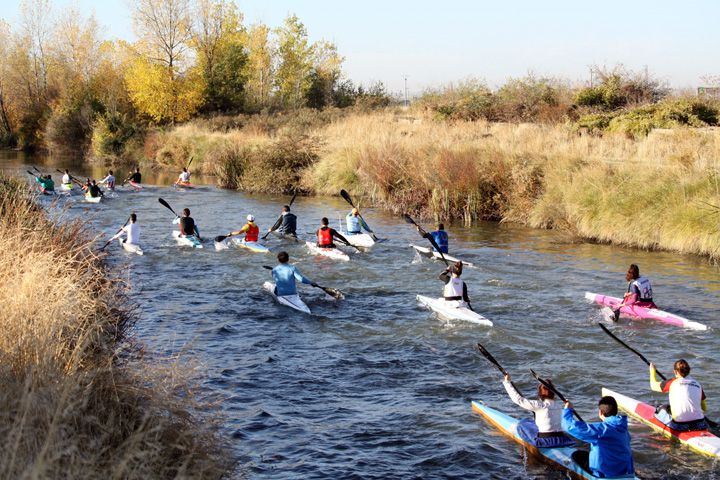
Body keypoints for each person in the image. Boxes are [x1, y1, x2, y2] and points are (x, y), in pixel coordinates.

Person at [562, 396, 634, 478]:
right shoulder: (623, 428)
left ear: (600, 412)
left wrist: (567, 409)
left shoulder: (601, 430)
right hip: (626, 471)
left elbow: (568, 426)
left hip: (606, 475)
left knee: (577, 456)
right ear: (616, 411)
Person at [502, 374, 574, 447]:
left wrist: (507, 382)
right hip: (562, 439)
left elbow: (518, 400)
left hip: (545, 441)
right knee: (532, 422)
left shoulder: (539, 405)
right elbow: (567, 420)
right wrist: (569, 408)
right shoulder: (559, 406)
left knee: (522, 424)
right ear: (553, 394)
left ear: (540, 393)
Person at [649, 359, 708, 432]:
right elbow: (704, 408)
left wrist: (652, 370)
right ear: (689, 371)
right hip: (700, 423)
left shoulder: (671, 382)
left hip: (680, 425)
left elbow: (653, 385)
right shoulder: (697, 384)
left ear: (675, 371)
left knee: (660, 409)